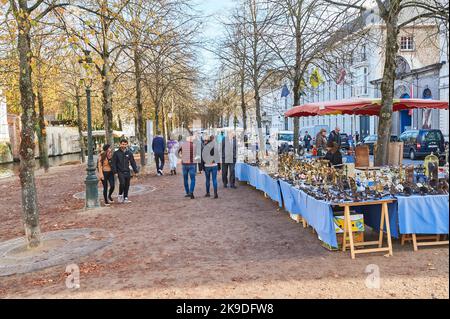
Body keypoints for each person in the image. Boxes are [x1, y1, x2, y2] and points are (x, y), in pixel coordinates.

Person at [112, 139, 139, 203]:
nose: (123, 145)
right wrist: (115, 172)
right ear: (120, 144)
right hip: (120, 171)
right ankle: (120, 195)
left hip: (127, 171)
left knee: (127, 185)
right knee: (122, 183)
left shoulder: (129, 153)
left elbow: (133, 162)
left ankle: (126, 198)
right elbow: (113, 163)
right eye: (122, 144)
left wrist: (136, 171)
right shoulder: (116, 153)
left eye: (125, 144)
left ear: (127, 145)